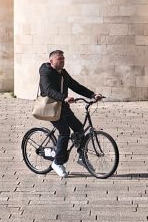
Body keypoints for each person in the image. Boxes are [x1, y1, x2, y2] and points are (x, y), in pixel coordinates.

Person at [38, 49, 103, 178]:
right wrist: (64, 97)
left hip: (63, 106)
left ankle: (82, 157)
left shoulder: (63, 73)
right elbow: (48, 90)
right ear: (51, 61)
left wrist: (92, 95)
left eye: (63, 58)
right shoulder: (45, 72)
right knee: (65, 132)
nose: (62, 61)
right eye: (59, 59)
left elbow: (75, 86)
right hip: (51, 107)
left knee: (79, 129)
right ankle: (57, 163)